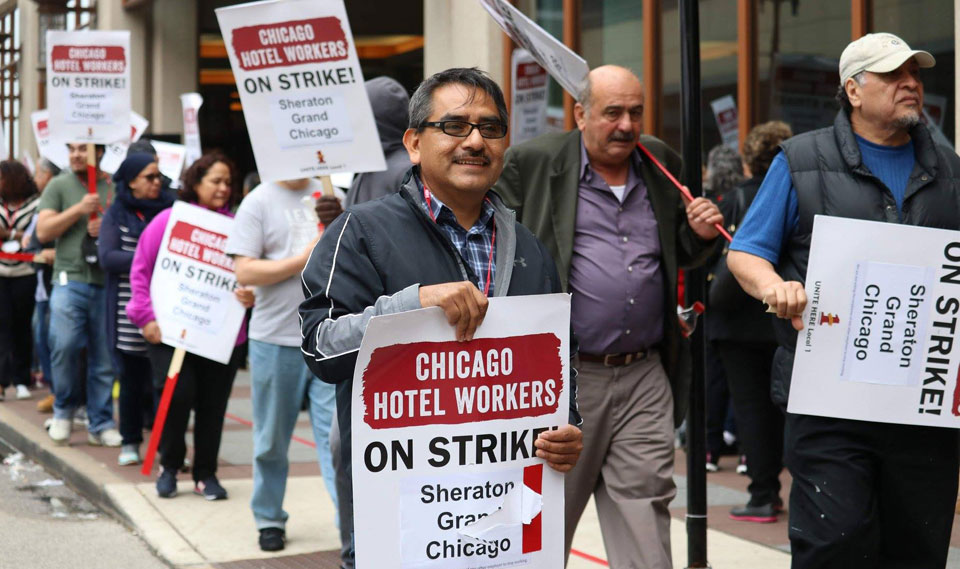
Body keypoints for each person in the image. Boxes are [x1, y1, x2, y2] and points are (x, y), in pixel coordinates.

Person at [299, 67, 583, 568]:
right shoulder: (362, 231)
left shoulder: (530, 248)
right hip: (404, 521)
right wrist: (411, 307)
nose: (475, 141)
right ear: (413, 143)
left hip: (502, 524)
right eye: (455, 126)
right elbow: (321, 345)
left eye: (490, 128)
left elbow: (560, 359)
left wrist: (567, 426)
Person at [727, 33, 960, 567]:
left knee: (917, 549)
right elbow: (745, 254)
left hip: (920, 408)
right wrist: (774, 288)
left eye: (915, 74)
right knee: (834, 544)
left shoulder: (952, 172)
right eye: (893, 74)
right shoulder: (801, 160)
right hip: (828, 403)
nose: (911, 83)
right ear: (853, 90)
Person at [494, 65, 722, 568]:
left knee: (646, 508)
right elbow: (490, 250)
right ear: (580, 113)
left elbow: (675, 253)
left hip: (644, 372)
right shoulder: (533, 164)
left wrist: (701, 237)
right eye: (612, 112)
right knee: (544, 515)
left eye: (635, 112)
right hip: (564, 379)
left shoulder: (658, 162)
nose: (625, 125)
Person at [127, 153, 254, 500]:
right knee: (176, 398)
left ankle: (206, 474)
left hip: (221, 336)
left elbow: (251, 275)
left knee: (213, 405)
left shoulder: (238, 228)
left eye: (228, 182)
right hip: (169, 333)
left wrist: (250, 294)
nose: (224, 188)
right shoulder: (168, 221)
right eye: (215, 180)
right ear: (195, 183)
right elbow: (140, 270)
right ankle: (170, 466)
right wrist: (145, 317)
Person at [226, 177, 338, 552]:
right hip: (275, 339)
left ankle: (349, 523)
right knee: (271, 439)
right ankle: (269, 518)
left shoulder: (331, 189)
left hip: (329, 338)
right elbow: (245, 272)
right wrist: (301, 260)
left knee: (335, 440)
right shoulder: (258, 201)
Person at [706, 121, 792, 522]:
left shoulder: (736, 197)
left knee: (751, 409)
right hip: (782, 316)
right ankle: (775, 489)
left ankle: (763, 493)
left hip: (736, 324)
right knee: (781, 407)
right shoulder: (796, 192)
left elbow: (712, 255)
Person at [35, 143, 121, 446]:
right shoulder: (59, 184)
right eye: (70, 149)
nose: (75, 155)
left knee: (104, 356)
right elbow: (43, 231)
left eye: (82, 149)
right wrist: (78, 210)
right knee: (65, 344)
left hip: (105, 281)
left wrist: (106, 228)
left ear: (98, 151)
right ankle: (63, 410)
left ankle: (101, 422)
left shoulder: (114, 185)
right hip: (68, 278)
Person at [99, 154, 175, 466]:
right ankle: (130, 441)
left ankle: (166, 446)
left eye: (159, 177)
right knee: (131, 381)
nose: (157, 182)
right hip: (128, 313)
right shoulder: (116, 214)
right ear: (131, 181)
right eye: (149, 177)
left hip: (169, 311)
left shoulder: (173, 211)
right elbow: (108, 258)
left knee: (164, 384)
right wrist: (148, 258)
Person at [0, 160, 42, 401]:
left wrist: (10, 233)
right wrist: (17, 234)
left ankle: (22, 378)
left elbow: (34, 235)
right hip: (1, 272)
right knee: (2, 325)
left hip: (25, 273)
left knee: (22, 326)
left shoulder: (35, 204)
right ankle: (2, 380)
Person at [24, 159, 60, 412]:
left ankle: (61, 393)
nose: (35, 178)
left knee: (53, 336)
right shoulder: (41, 205)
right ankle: (54, 389)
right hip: (41, 283)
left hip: (56, 281)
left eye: (38, 173)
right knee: (40, 333)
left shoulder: (56, 202)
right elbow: (32, 240)